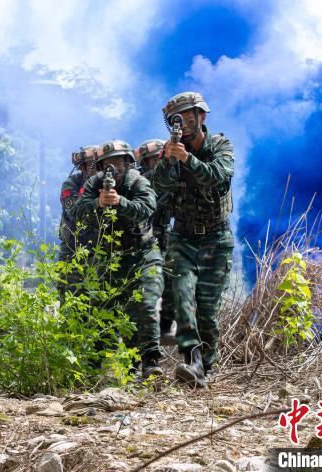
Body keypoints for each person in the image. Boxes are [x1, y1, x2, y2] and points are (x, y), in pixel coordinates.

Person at [149, 92, 235, 388]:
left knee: (208, 310)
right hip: (183, 236)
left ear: (201, 117)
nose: (183, 126)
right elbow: (157, 187)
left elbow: (219, 177)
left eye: (188, 119)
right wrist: (170, 160)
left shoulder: (221, 145)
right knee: (183, 298)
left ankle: (205, 369)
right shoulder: (171, 151)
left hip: (217, 238)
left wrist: (188, 160)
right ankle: (192, 360)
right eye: (177, 121)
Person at [72, 140, 164, 379]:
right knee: (103, 309)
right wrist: (98, 203)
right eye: (108, 163)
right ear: (102, 166)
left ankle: (151, 362)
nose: (114, 167)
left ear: (127, 162)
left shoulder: (138, 182)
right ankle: (101, 367)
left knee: (145, 305)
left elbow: (147, 207)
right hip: (110, 258)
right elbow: (77, 212)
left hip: (143, 255)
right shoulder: (94, 184)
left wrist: (120, 202)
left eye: (119, 161)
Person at [135, 139, 176, 345]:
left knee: (172, 280)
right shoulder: (140, 182)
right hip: (142, 240)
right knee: (145, 288)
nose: (157, 163)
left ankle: (165, 327)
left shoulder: (171, 177)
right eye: (153, 160)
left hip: (165, 235)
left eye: (159, 158)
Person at [58, 145, 99, 297]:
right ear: (83, 166)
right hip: (73, 248)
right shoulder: (71, 183)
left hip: (101, 247)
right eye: (92, 164)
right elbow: (73, 210)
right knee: (70, 294)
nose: (97, 168)